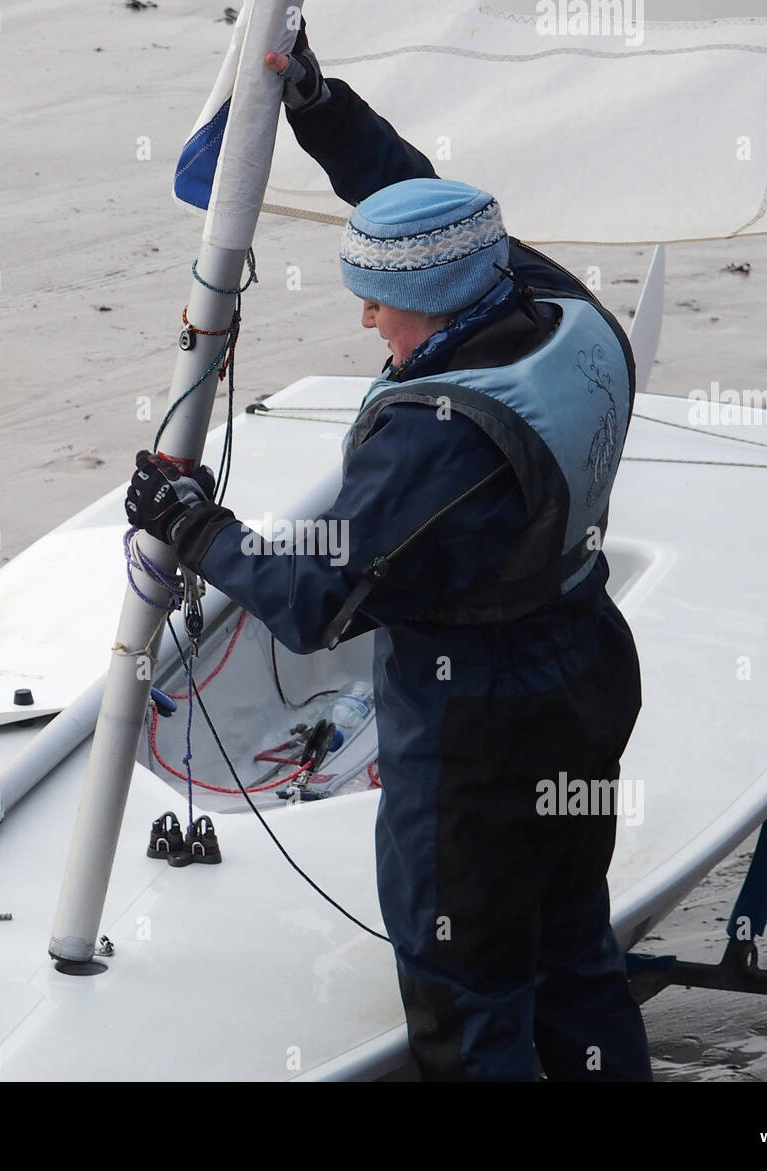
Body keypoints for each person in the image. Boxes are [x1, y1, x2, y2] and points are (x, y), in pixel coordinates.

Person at [125, 30, 651, 1081]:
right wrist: (319, 108)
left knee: (469, 986)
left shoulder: (437, 437)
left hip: (481, 731)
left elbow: (315, 603)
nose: (364, 316)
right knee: (572, 949)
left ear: (442, 301)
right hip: (590, 665)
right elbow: (414, 193)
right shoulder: (556, 306)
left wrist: (196, 527)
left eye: (378, 301)